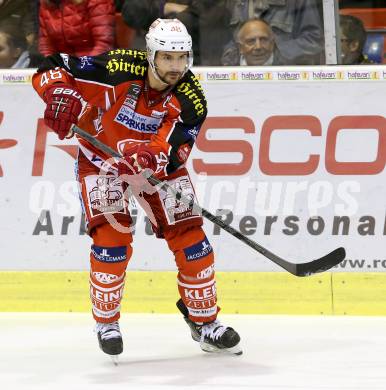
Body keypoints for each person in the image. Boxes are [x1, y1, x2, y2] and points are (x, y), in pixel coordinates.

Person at [32, 18, 242, 358]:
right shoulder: (116, 67)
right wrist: (59, 92)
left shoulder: (192, 98)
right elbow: (52, 65)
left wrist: (151, 159)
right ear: (150, 55)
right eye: (168, 58)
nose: (176, 67)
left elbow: (175, 152)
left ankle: (205, 324)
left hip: (152, 169)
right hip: (102, 162)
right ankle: (107, 323)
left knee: (193, 243)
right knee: (112, 242)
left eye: (182, 58)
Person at [223, 0, 324, 65]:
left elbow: (314, 40)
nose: (258, 46)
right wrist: (230, 57)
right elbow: (231, 39)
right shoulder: (235, 3)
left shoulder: (296, 2)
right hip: (243, 79)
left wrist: (274, 53)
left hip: (284, 79)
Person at [39, 0, 115, 57]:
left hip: (93, 65)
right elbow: (46, 46)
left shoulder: (97, 1)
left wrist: (81, 69)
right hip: (63, 67)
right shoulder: (47, 3)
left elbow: (103, 45)